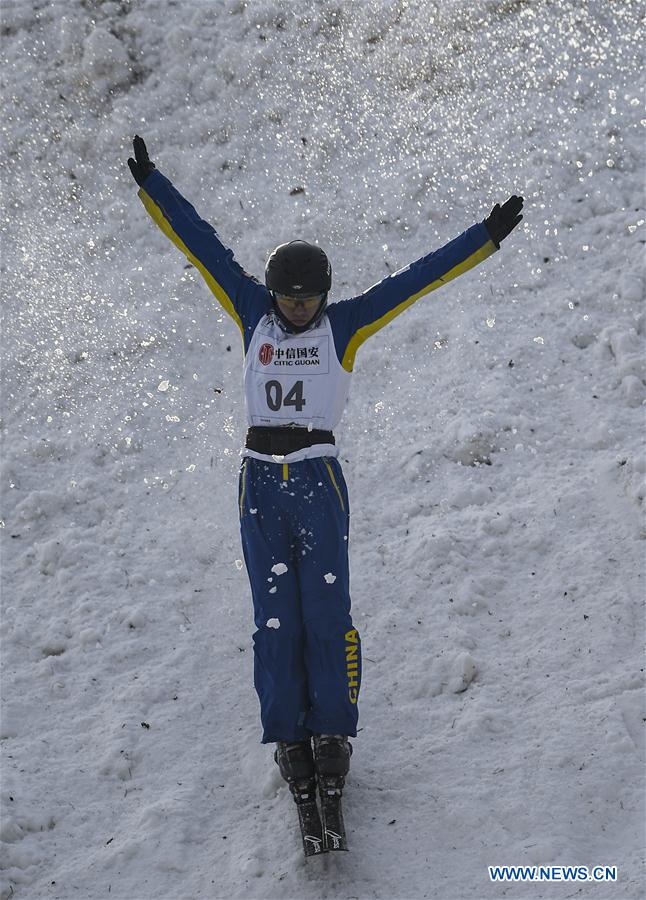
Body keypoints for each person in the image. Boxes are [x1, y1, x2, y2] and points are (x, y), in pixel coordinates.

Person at [128, 135, 523, 808]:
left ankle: (333, 733)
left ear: (325, 297)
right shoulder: (251, 309)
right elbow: (201, 245)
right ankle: (289, 735)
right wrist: (153, 185)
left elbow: (417, 278)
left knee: (326, 611)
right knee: (275, 618)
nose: (298, 309)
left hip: (317, 478)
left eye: (309, 300)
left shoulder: (344, 327)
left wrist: (484, 237)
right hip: (260, 480)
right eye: (290, 299)